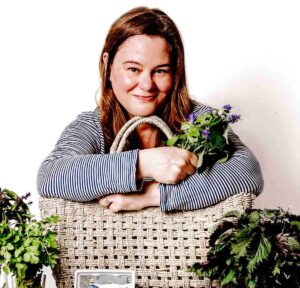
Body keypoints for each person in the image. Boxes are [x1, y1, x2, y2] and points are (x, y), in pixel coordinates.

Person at [37, 6, 264, 212]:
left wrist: (152, 195)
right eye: (134, 69)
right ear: (108, 66)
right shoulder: (92, 126)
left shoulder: (200, 121)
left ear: (176, 72)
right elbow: (51, 177)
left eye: (160, 71)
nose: (147, 85)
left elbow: (248, 172)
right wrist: (145, 163)